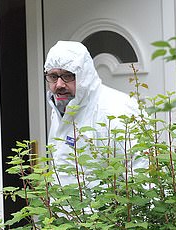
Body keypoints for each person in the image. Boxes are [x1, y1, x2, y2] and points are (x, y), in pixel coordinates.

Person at [44, 40, 140, 185]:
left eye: (68, 75)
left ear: (84, 74)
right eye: (53, 76)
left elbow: (140, 171)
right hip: (66, 207)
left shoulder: (116, 109)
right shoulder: (60, 109)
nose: (59, 84)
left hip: (105, 207)